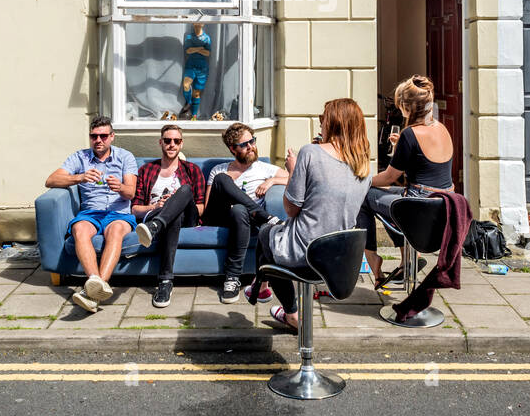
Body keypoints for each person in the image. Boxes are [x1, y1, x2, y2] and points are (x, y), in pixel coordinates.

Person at [248, 98, 371, 333]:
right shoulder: (364, 165)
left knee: (266, 234)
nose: (320, 124)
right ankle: (260, 287)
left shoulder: (310, 152)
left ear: (333, 122)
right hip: (340, 256)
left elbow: (291, 208)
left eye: (323, 118)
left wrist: (293, 171)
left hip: (307, 250)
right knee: (274, 233)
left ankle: (288, 310)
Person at [358, 75, 454, 287]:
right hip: (443, 205)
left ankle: (372, 257)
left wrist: (362, 181)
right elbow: (428, 166)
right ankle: (406, 259)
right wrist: (402, 142)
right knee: (391, 198)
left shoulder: (410, 134)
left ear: (406, 106)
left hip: (417, 206)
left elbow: (389, 177)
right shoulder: (441, 128)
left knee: (365, 195)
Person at [44, 116, 138, 313]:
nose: (99, 140)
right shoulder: (81, 158)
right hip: (91, 213)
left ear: (112, 136)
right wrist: (80, 177)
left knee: (115, 232)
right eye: (94, 136)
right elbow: (51, 180)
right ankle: (97, 286)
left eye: (103, 136)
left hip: (118, 212)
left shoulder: (125, 157)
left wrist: (119, 187)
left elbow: (131, 193)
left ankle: (92, 291)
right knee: (78, 229)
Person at [203, 123, 287, 303]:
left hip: (246, 219)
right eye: (244, 144)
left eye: (252, 141)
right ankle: (265, 216)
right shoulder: (220, 169)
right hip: (219, 216)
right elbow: (210, 203)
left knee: (240, 210)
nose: (251, 146)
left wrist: (272, 181)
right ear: (233, 149)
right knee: (221, 179)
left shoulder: (263, 168)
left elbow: (293, 177)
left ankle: (232, 278)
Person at [132, 124, 208, 308]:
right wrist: (157, 205)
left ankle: (156, 226)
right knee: (172, 217)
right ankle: (165, 282)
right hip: (157, 214)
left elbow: (200, 208)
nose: (172, 144)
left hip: (188, 218)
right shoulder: (146, 170)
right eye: (167, 141)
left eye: (176, 141)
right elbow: (135, 209)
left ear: (181, 144)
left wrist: (175, 202)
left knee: (185, 190)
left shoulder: (191, 170)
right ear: (161, 143)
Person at [179, 22, 212, 119]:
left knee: (196, 93)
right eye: (195, 23)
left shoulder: (206, 38)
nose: (197, 25)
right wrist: (200, 48)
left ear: (203, 24)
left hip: (202, 68)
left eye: (200, 23)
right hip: (190, 65)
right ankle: (188, 102)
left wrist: (194, 49)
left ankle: (194, 115)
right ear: (193, 24)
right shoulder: (189, 37)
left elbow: (207, 53)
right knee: (186, 85)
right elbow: (188, 51)